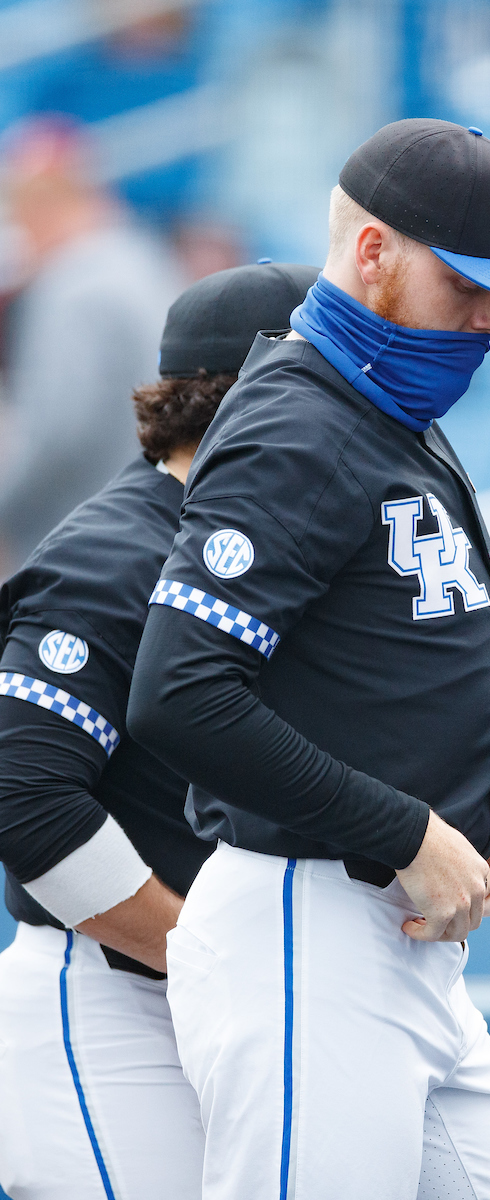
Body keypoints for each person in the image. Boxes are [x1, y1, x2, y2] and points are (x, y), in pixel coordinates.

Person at [126, 118, 490, 1200]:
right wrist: (410, 827)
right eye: (467, 281)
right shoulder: (298, 422)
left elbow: (377, 659)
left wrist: (484, 796)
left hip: (403, 943)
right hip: (308, 927)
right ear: (372, 252)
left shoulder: (390, 407)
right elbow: (179, 696)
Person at [0, 261, 320, 1200]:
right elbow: (22, 799)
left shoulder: (285, 549)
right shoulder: (114, 554)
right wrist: (209, 965)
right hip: (110, 1011)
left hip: (241, 1011)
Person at [0, 117, 183, 571]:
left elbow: (55, 434)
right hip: (157, 520)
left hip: (94, 541)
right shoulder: (142, 257)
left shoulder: (75, 285)